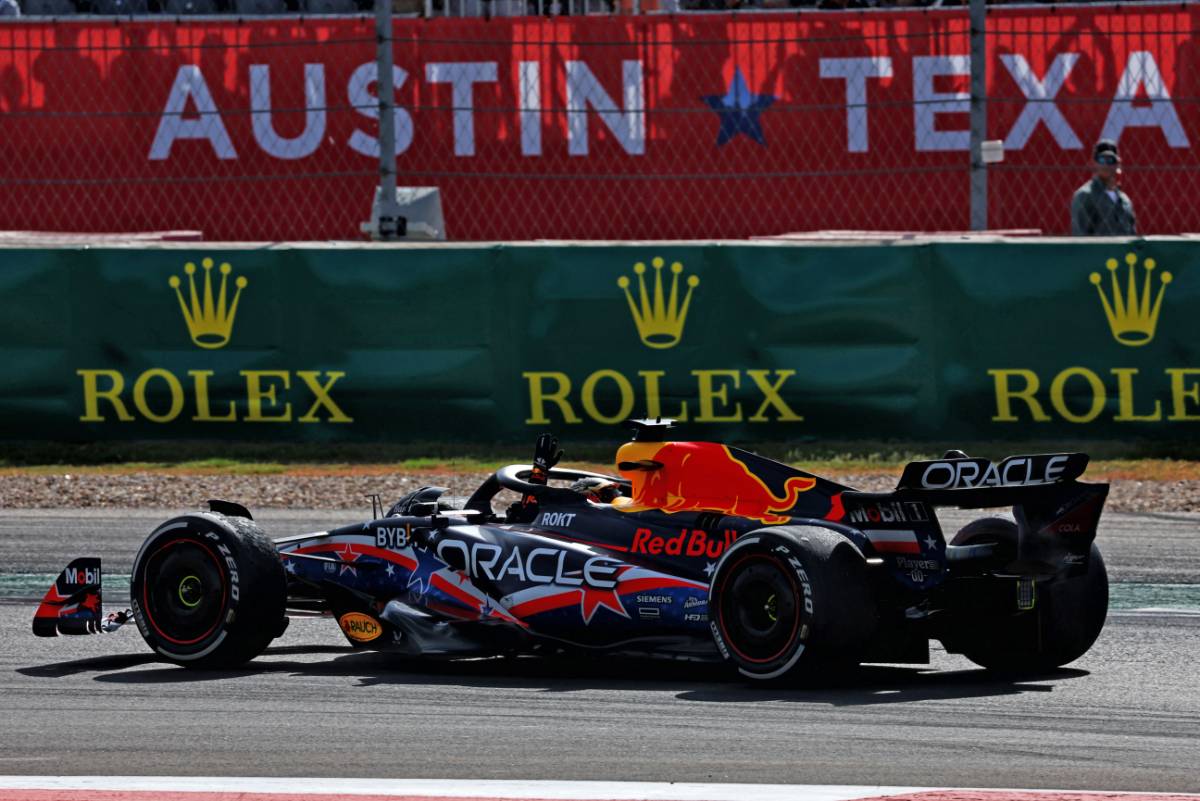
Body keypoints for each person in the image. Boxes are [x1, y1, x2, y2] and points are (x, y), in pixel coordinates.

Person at [1071, 139, 1137, 236]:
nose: (1105, 165)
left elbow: (1132, 235)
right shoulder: (1085, 195)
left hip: (1123, 251)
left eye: (1110, 160)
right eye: (1101, 160)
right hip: (1098, 251)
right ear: (1094, 163)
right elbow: (1080, 237)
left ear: (1118, 163)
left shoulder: (1124, 200)